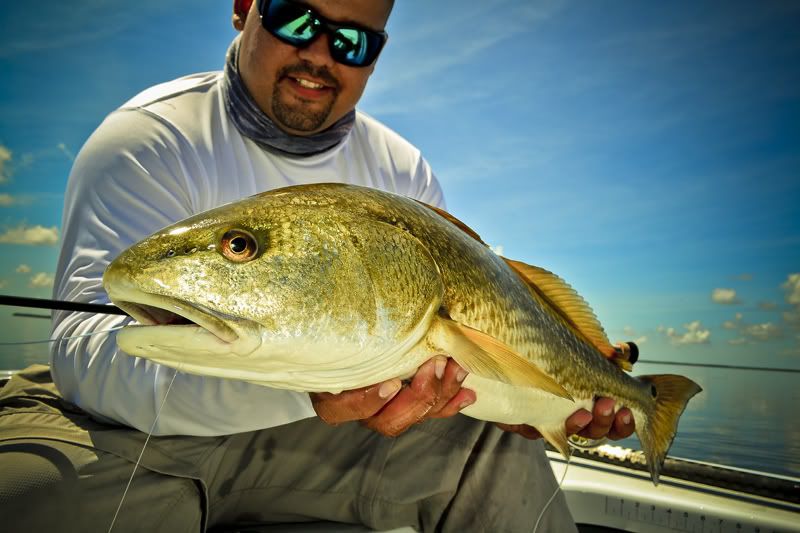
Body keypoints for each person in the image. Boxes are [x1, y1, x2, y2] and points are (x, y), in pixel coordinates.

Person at [0, 0, 635, 531]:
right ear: (244, 8)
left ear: (376, 56)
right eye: (296, 19)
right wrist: (310, 391)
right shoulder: (149, 138)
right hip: (135, 432)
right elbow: (86, 353)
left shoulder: (403, 171)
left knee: (495, 448)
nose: (321, 54)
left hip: (334, 435)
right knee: (28, 493)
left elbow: (465, 357)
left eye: (355, 43)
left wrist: (538, 403)